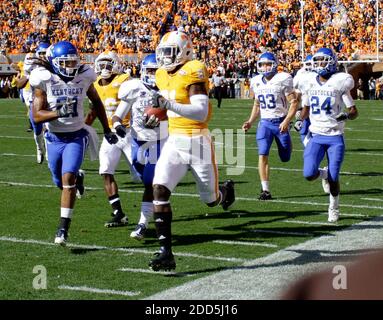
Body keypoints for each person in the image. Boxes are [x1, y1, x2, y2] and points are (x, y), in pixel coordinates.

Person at [147, 31, 235, 271]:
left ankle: (225, 191)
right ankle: (166, 252)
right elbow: (169, 106)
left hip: (198, 142)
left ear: (185, 51)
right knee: (159, 189)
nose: (165, 57)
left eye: (170, 52)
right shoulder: (161, 73)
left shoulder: (194, 69)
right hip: (175, 140)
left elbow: (199, 111)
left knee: (210, 200)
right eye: (163, 51)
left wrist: (167, 106)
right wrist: (159, 116)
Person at [30, 41, 118, 245]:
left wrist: (106, 129)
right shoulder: (45, 79)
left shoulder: (84, 76)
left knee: (67, 179)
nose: (70, 66)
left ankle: (63, 228)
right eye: (65, 62)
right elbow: (36, 116)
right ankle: (78, 177)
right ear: (55, 62)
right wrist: (59, 112)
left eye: (72, 62)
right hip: (54, 138)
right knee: (59, 181)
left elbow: (97, 101)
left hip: (77, 136)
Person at [112, 53, 168, 240]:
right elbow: (118, 115)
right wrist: (117, 126)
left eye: (156, 71)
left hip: (160, 141)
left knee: (150, 184)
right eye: (150, 70)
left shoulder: (167, 89)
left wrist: (163, 117)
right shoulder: (133, 87)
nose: (152, 74)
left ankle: (142, 224)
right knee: (146, 181)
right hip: (137, 142)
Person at [300, 47, 358, 223]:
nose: (320, 64)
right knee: (309, 174)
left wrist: (346, 115)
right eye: (317, 61)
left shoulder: (339, 82)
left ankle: (333, 207)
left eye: (323, 61)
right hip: (316, 136)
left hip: (335, 137)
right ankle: (322, 174)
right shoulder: (310, 82)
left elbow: (354, 111)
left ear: (332, 62)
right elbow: (306, 108)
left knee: (334, 177)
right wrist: (299, 121)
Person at [85, 50, 136, 228]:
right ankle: (118, 213)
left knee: (143, 175)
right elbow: (93, 111)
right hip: (110, 134)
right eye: (102, 64)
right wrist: (85, 127)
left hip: (129, 132)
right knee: (105, 171)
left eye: (108, 64)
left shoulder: (124, 80)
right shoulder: (95, 85)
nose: (105, 67)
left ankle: (157, 207)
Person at [242, 52, 298, 200]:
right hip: (265, 123)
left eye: (268, 64)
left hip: (280, 122)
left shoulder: (283, 78)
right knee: (263, 154)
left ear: (274, 64)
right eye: (262, 64)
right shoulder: (256, 81)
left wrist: (286, 121)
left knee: (285, 157)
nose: (265, 67)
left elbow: (294, 103)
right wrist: (250, 121)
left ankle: (288, 140)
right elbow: (257, 104)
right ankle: (265, 190)